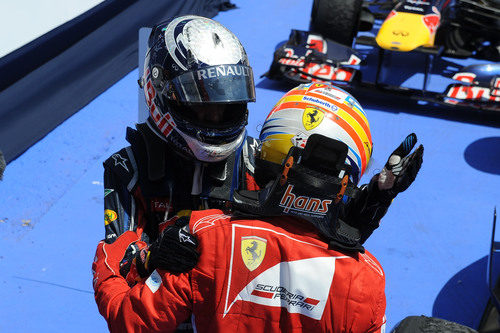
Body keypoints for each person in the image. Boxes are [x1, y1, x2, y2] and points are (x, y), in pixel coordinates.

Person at [93, 82, 424, 332]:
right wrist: (376, 199)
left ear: (270, 154)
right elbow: (338, 241)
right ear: (348, 175)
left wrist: (149, 257)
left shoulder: (206, 238)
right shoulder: (367, 278)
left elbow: (130, 318)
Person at [101, 15, 259, 283]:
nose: (215, 117)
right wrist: (153, 256)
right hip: (165, 306)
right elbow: (115, 270)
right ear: (160, 94)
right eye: (202, 104)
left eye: (225, 104)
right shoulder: (127, 167)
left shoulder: (255, 157)